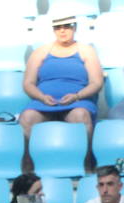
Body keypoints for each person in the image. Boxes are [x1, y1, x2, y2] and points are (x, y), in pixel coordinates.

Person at [19, 12, 103, 171]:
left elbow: (96, 83)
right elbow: (28, 83)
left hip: (77, 101)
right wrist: (42, 97)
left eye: (67, 27)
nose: (62, 31)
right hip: (44, 102)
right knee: (27, 117)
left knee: (81, 115)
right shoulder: (41, 52)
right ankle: (29, 170)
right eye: (58, 28)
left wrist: (77, 96)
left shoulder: (86, 51)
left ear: (75, 28)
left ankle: (86, 166)